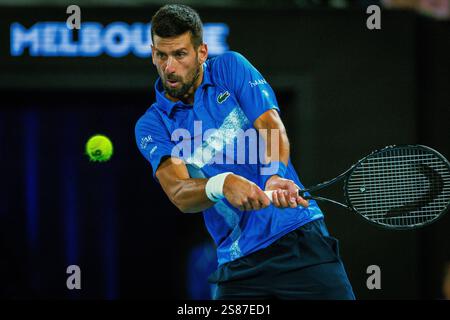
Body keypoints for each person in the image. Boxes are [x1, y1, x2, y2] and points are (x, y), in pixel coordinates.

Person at [135, 4, 355, 300]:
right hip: (240, 264)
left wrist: (275, 175)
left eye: (180, 54)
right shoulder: (152, 125)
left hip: (300, 239)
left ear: (201, 53)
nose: (169, 67)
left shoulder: (231, 68)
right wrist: (222, 183)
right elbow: (179, 192)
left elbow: (270, 125)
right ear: (152, 54)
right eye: (161, 55)